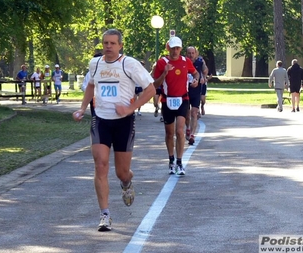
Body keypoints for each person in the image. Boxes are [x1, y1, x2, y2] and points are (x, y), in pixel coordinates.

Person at [72, 29, 155, 232]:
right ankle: (105, 215)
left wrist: (129, 109)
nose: (108, 46)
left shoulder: (129, 64)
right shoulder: (96, 64)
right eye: (105, 43)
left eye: (112, 43)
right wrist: (83, 108)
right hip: (101, 120)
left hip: (123, 122)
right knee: (100, 165)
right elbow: (91, 85)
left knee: (121, 172)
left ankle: (127, 182)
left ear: (120, 45)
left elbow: (151, 89)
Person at [153, 36, 199, 176]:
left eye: (177, 48)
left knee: (180, 131)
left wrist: (196, 79)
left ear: (180, 49)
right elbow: (155, 84)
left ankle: (179, 161)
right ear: (168, 48)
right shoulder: (162, 63)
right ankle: (171, 160)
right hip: (167, 100)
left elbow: (195, 73)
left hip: (183, 100)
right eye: (173, 48)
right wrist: (165, 72)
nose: (175, 51)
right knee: (169, 133)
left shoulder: (186, 61)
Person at [185, 46, 208, 145]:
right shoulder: (183, 62)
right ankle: (188, 128)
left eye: (192, 53)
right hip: (185, 91)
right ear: (186, 54)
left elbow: (205, 71)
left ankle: (192, 135)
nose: (191, 55)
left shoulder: (199, 62)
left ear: (196, 53)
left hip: (196, 91)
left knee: (194, 113)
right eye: (189, 53)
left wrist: (203, 77)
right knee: (187, 114)